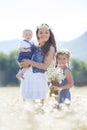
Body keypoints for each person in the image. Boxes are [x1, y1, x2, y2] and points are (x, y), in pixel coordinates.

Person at [19, 23, 57, 103]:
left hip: (38, 78)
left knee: (39, 105)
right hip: (27, 77)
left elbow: (45, 66)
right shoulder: (34, 46)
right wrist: (22, 63)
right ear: (37, 34)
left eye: (46, 32)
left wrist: (29, 62)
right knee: (27, 105)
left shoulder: (50, 48)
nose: (44, 34)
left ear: (50, 34)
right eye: (41, 32)